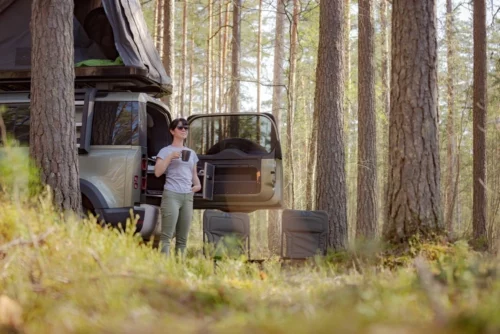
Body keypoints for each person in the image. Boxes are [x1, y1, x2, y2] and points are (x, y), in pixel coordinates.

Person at [154, 118, 201, 257]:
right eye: (180, 128)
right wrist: (170, 157)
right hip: (172, 195)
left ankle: (179, 270)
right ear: (172, 131)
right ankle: (164, 270)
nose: (184, 130)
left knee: (182, 239)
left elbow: (193, 174)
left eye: (186, 128)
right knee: (166, 236)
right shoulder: (165, 151)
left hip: (187, 197)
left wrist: (198, 185)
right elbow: (157, 173)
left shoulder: (191, 153)